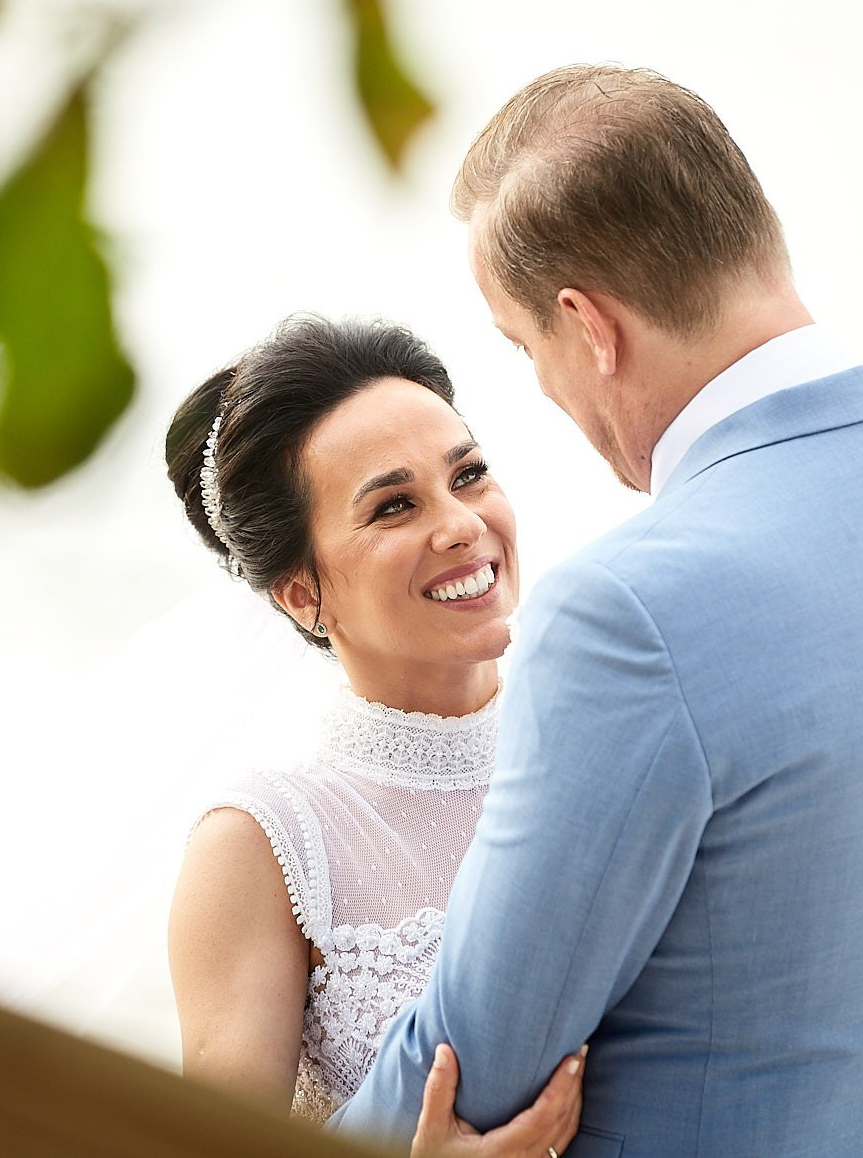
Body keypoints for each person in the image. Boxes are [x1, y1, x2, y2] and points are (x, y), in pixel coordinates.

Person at [323, 65, 863, 1156]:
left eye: (524, 348)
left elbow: (480, 1058)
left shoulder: (629, 611)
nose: (543, 386)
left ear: (587, 326)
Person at [163, 315, 583, 1156]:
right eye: (394, 505)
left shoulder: (603, 732)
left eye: (469, 474)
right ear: (300, 593)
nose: (460, 523)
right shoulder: (265, 843)